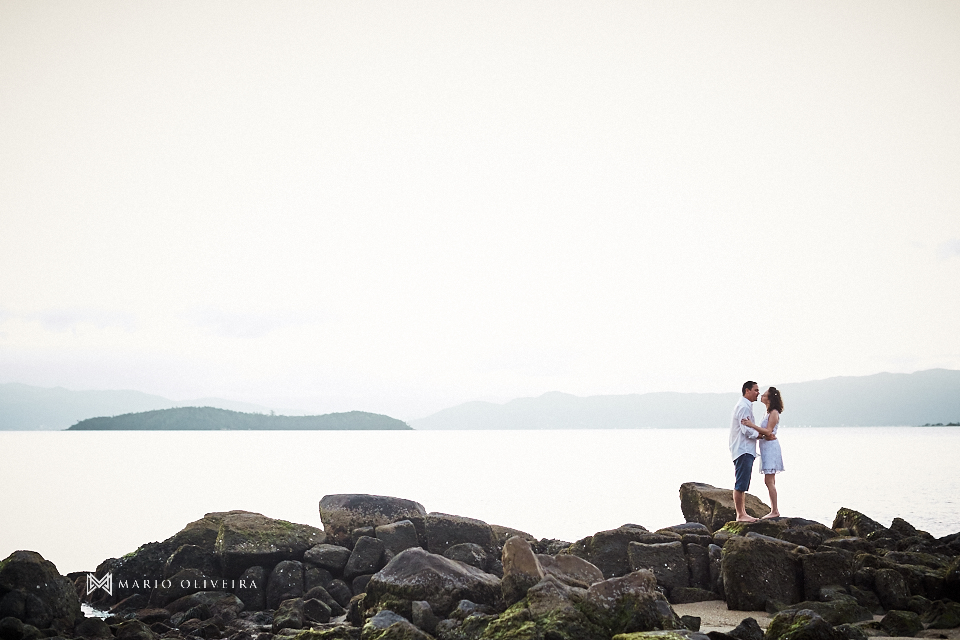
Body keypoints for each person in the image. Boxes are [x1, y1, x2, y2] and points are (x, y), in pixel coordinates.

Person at [741, 387, 785, 518]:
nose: (761, 395)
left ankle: (775, 511)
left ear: (770, 399)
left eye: (765, 395)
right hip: (766, 446)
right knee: (769, 480)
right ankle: (774, 509)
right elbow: (766, 433)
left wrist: (751, 425)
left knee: (769, 480)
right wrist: (762, 435)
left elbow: (768, 430)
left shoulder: (774, 413)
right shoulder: (767, 412)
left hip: (771, 448)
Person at [729, 381, 761, 522]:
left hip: (744, 449)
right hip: (743, 449)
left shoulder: (745, 406)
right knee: (741, 482)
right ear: (747, 390)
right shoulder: (743, 407)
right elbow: (745, 429)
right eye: (755, 390)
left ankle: (742, 513)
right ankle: (740, 515)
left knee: (743, 481)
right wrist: (759, 435)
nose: (758, 393)